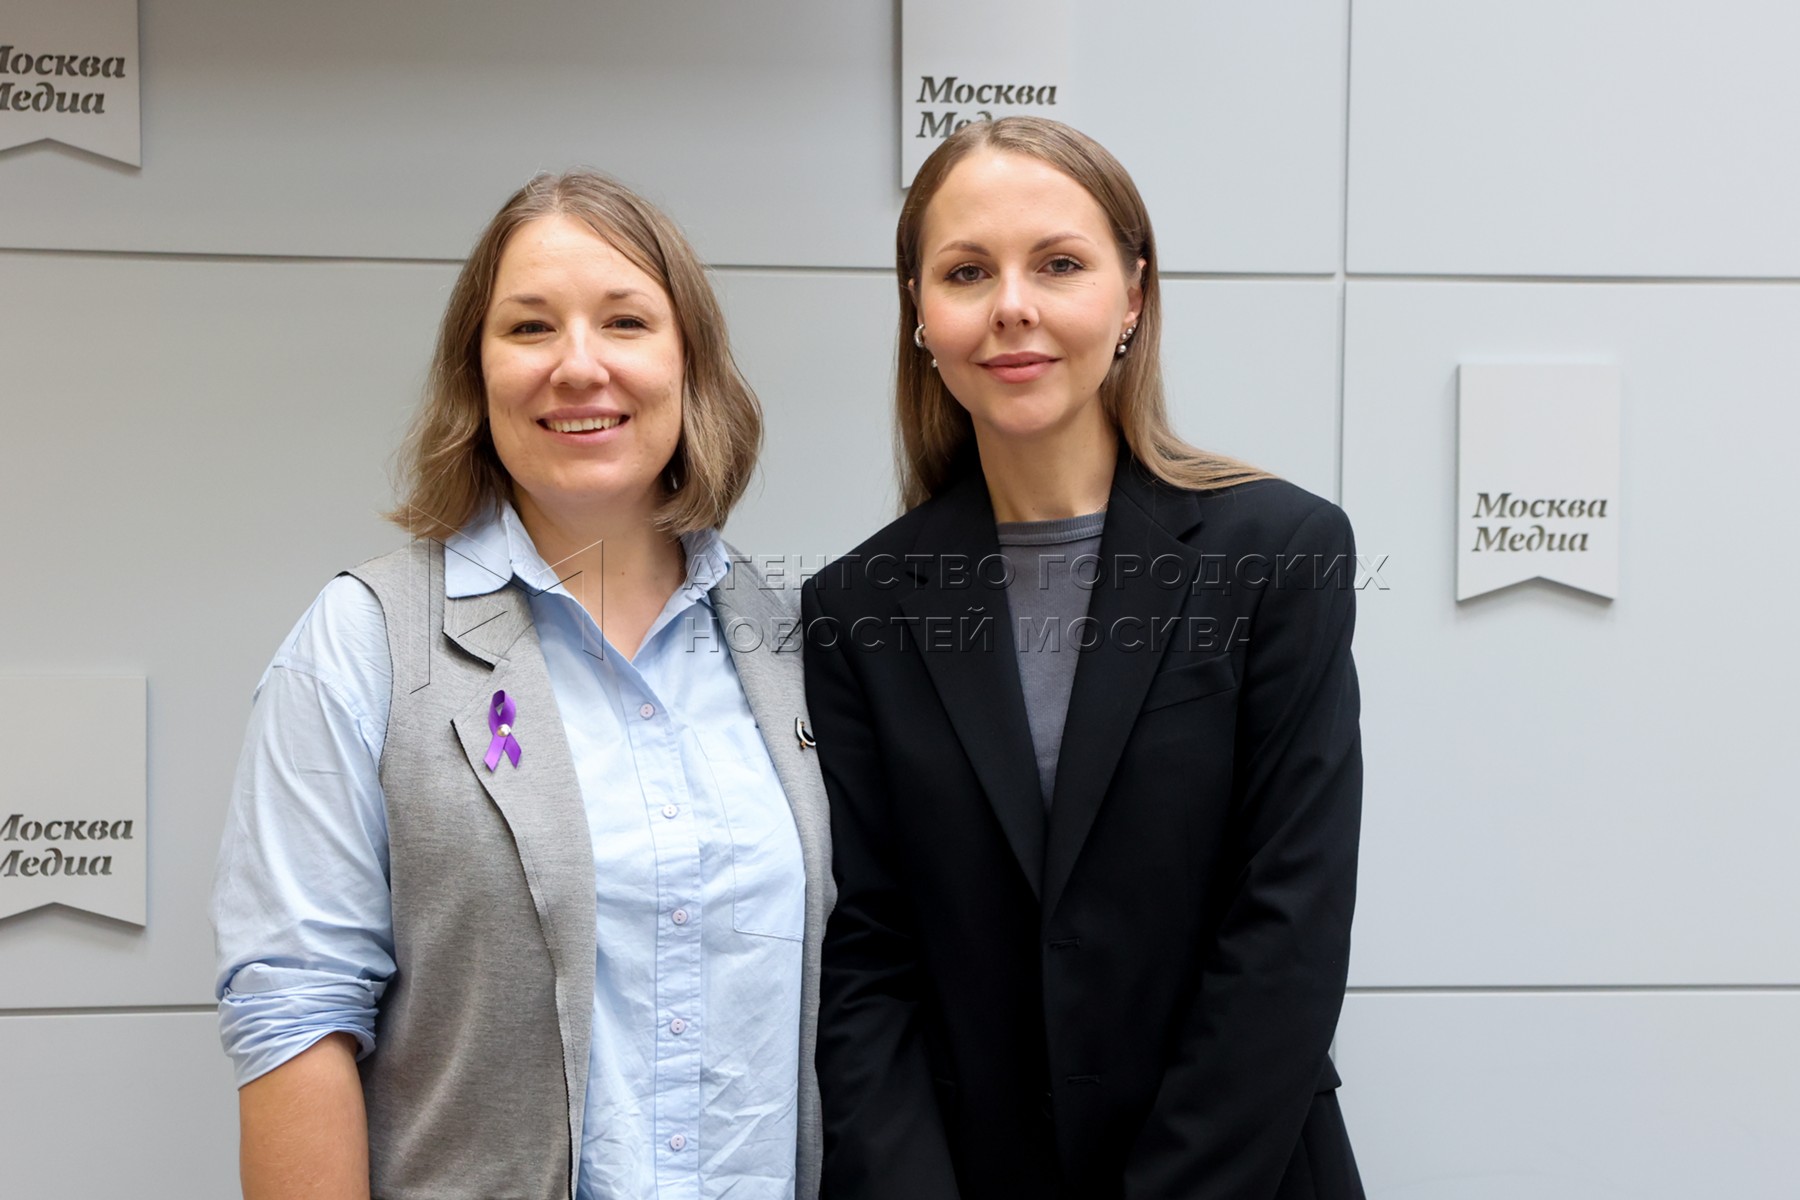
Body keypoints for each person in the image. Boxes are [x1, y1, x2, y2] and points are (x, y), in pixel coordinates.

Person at [211, 170, 831, 1200]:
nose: (578, 367)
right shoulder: (365, 643)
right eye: (530, 328)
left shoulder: (788, 644)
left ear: (691, 366)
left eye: (626, 322)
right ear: (477, 373)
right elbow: (293, 1014)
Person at [801, 118, 1364, 1199]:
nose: (1013, 304)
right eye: (967, 271)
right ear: (920, 315)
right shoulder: (855, 607)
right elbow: (871, 960)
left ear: (1134, 294)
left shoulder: (1278, 555)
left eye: (1059, 264)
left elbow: (1287, 933)